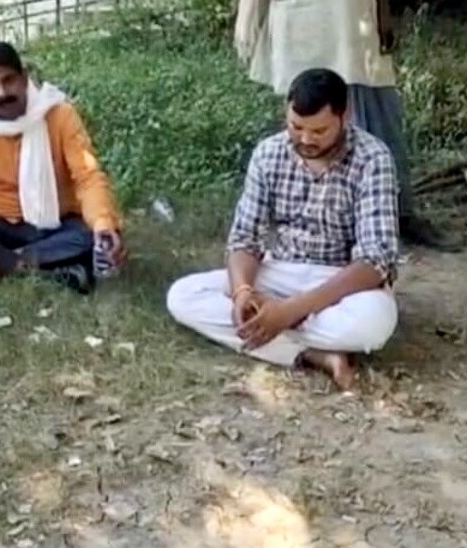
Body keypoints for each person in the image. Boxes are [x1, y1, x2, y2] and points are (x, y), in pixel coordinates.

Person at [204, 0, 455, 250]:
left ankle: (399, 215)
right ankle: (327, 222)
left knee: (382, 112)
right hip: (304, 12)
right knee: (314, 120)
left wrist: (382, 9)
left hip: (358, 12)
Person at [166, 69, 399, 390]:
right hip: (280, 272)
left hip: (340, 281)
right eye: (296, 127)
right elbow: (244, 239)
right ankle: (313, 354)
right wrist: (243, 292)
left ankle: (273, 330)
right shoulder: (269, 153)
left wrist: (290, 311)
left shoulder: (373, 158)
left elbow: (375, 261)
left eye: (319, 131)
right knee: (183, 296)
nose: (306, 139)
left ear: (345, 116)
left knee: (373, 325)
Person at [0, 42, 126, 292]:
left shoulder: (60, 115)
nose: (2, 93)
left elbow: (87, 177)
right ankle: (50, 270)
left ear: (24, 78)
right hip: (0, 224)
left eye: (9, 81)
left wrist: (103, 225)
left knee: (90, 237)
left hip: (56, 224)